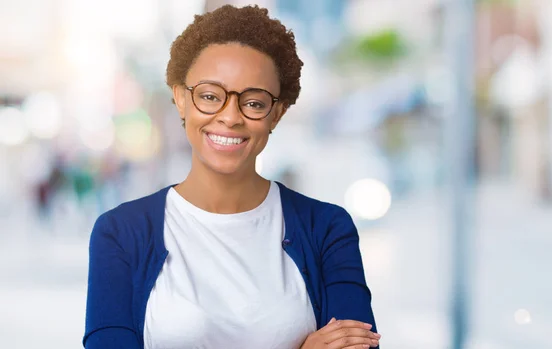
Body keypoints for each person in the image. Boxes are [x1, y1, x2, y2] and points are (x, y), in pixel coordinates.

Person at [83, 5, 380, 349]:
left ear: (277, 114)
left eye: (253, 103)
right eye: (210, 96)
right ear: (181, 99)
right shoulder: (120, 233)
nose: (230, 117)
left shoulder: (328, 228)